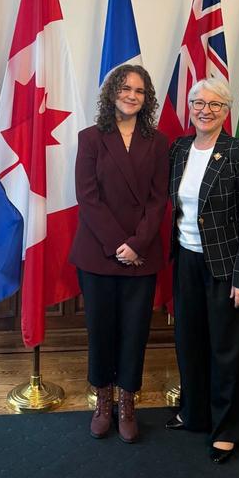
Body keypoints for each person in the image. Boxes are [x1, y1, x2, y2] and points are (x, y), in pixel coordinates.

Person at [165, 77, 239, 463]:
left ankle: (228, 428)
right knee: (189, 341)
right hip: (186, 260)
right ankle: (195, 413)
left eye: (215, 104)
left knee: (226, 349)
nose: (205, 110)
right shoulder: (179, 149)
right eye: (198, 103)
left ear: (226, 110)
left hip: (226, 267)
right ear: (190, 107)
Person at [70, 64, 169, 443]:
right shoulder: (90, 138)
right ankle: (103, 401)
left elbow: (158, 200)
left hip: (141, 255)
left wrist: (137, 245)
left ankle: (127, 402)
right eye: (125, 88)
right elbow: (87, 197)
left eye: (140, 91)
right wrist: (118, 245)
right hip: (98, 253)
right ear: (112, 92)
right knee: (100, 330)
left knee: (135, 331)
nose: (132, 95)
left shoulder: (158, 142)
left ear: (147, 99)